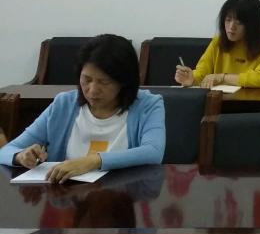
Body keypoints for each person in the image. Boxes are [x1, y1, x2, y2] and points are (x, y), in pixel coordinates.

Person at [0, 35, 165, 182]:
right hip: (67, 198)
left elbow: (153, 151)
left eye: (104, 82)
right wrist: (21, 156)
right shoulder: (63, 104)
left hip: (125, 197)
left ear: (124, 81)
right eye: (86, 79)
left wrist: (92, 161)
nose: (92, 90)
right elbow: (6, 151)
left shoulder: (148, 104)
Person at [175, 0, 260, 89]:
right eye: (228, 20)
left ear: (252, 25)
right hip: (220, 101)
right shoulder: (217, 42)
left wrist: (223, 78)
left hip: (256, 102)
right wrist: (191, 79)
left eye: (239, 22)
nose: (231, 27)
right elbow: (201, 73)